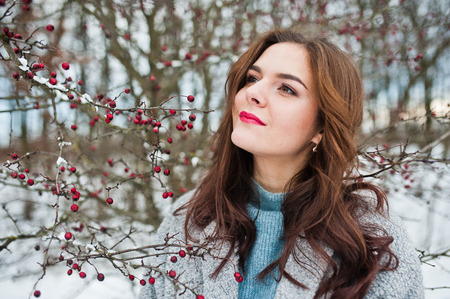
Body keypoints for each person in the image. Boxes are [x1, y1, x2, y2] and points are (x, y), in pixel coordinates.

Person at [139, 29, 423, 299]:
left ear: (322, 127)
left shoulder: (370, 240)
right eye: (252, 78)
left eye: (286, 88)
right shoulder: (187, 222)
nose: (253, 93)